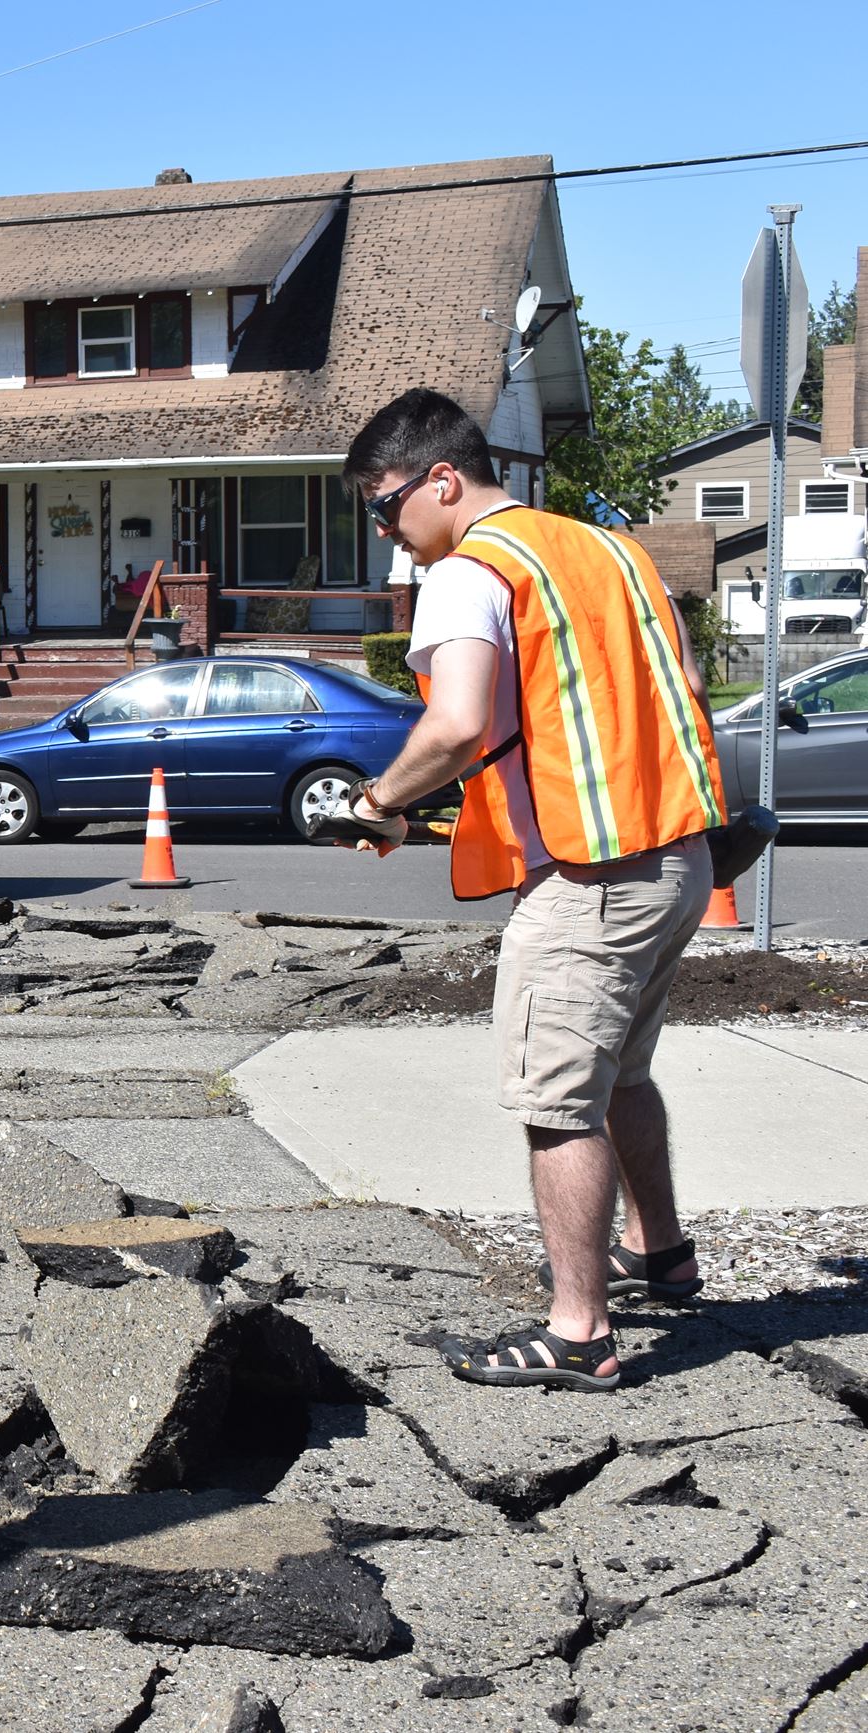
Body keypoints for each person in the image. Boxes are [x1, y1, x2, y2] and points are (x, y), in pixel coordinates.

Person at [332, 388, 726, 1394]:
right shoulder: (609, 552)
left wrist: (378, 798)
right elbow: (679, 683)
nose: (385, 534)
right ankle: (660, 1251)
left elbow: (458, 722)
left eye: (384, 508)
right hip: (674, 856)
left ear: (442, 480)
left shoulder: (471, 573)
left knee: (555, 1101)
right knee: (620, 1074)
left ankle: (578, 1329)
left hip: (589, 874)